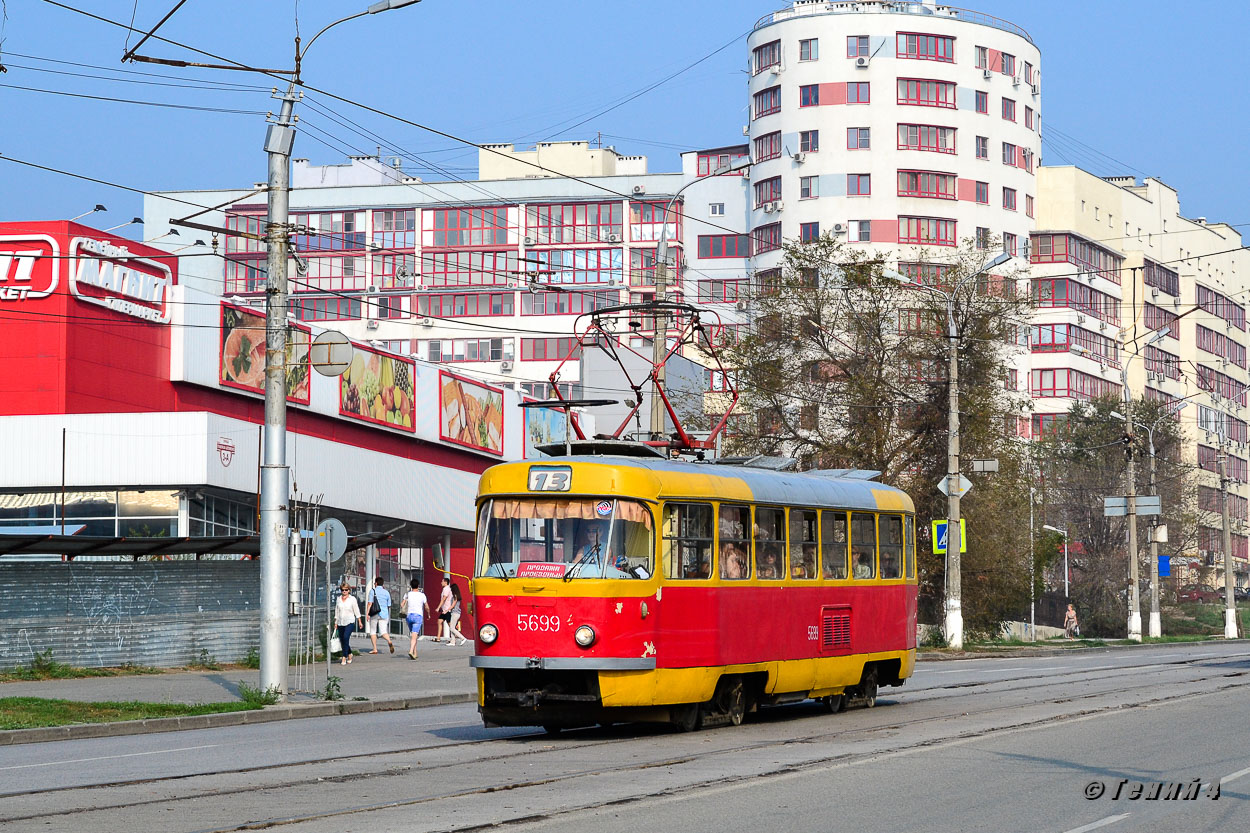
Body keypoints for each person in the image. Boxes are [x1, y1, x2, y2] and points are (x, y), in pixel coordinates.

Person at [400, 578, 431, 660]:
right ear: (418, 586)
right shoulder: (422, 595)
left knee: (413, 635)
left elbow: (402, 605)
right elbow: (427, 607)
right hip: (418, 616)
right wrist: (428, 614)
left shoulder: (407, 594)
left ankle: (415, 653)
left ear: (411, 586)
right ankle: (411, 651)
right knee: (414, 635)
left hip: (409, 616)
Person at [334, 583, 363, 666]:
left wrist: (359, 621)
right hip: (340, 622)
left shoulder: (352, 599)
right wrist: (336, 622)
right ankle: (349, 653)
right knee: (342, 639)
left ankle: (344, 656)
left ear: (349, 590)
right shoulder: (338, 599)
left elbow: (356, 610)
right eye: (342, 590)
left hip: (349, 621)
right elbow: (337, 611)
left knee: (346, 637)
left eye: (346, 590)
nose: (344, 591)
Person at [364, 577, 394, 655]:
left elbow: (370, 603)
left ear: (376, 583)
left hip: (374, 613)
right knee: (383, 631)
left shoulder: (372, 591)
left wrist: (367, 614)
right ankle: (389, 641)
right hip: (384, 614)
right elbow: (389, 605)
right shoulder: (387, 593)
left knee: (373, 631)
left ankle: (375, 649)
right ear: (383, 584)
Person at [446, 582, 468, 647]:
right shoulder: (457, 595)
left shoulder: (455, 596)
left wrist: (447, 610)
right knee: (452, 627)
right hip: (456, 613)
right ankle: (453, 642)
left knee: (452, 628)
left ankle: (463, 638)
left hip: (455, 613)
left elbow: (453, 605)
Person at [436, 577, 455, 643]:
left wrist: (438, 607)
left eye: (442, 581)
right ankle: (438, 637)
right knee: (439, 621)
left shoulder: (446, 589)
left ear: (445, 582)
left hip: (447, 609)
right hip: (444, 609)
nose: (441, 583)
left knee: (450, 624)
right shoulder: (445, 589)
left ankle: (455, 636)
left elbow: (444, 598)